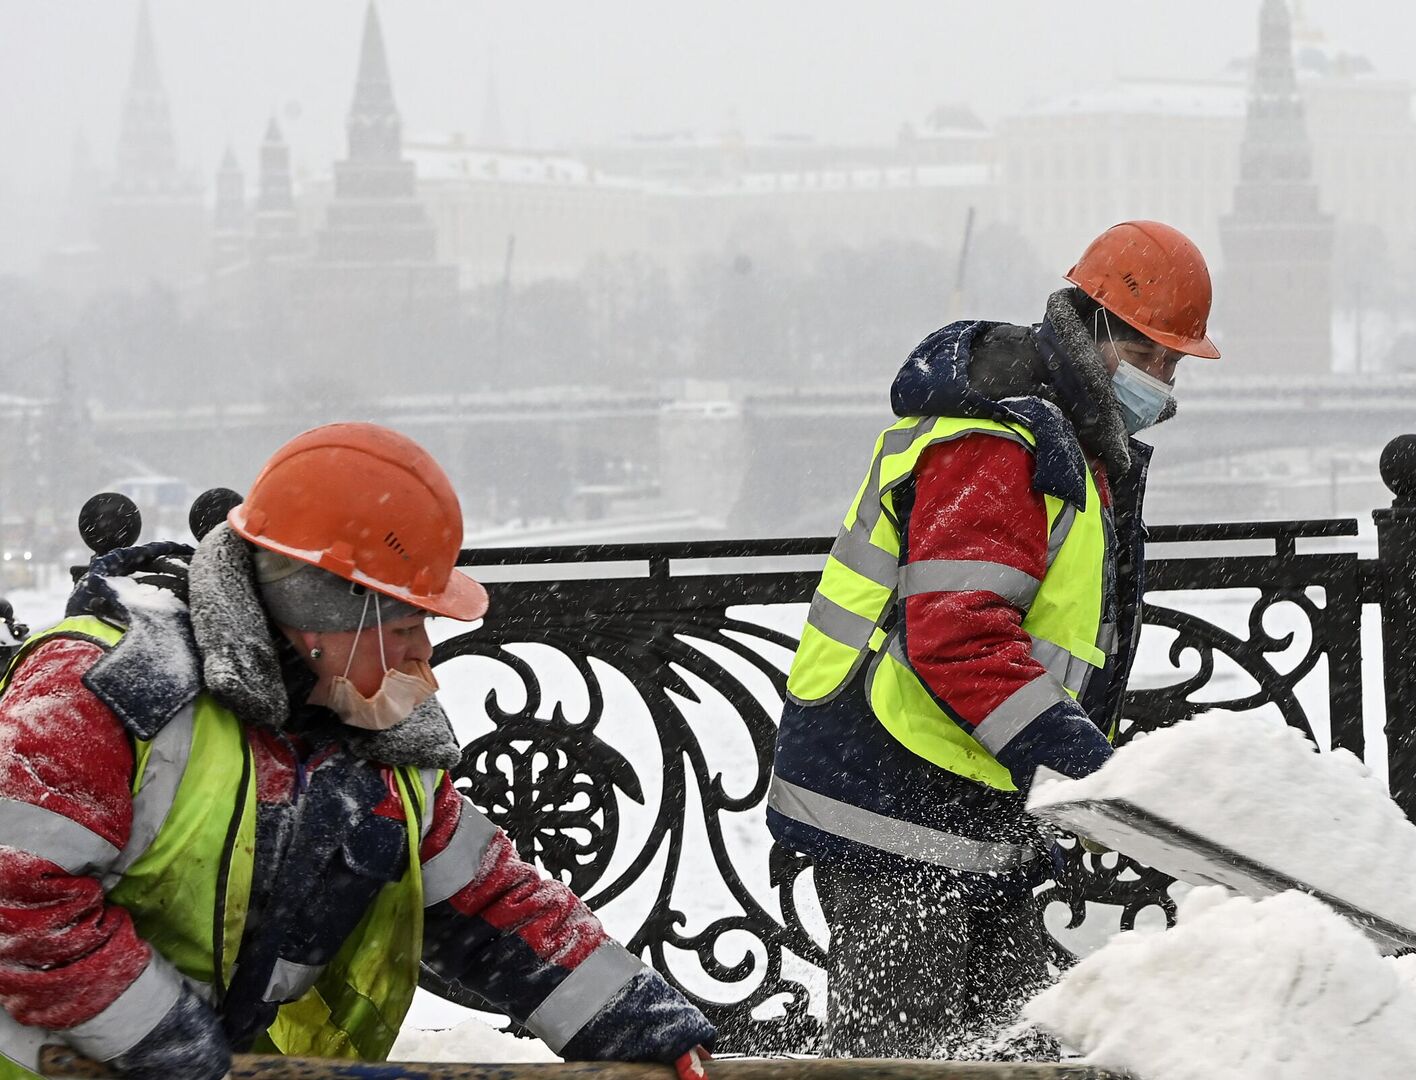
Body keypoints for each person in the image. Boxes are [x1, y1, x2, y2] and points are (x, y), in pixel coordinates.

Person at [0, 423, 716, 1079]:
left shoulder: (379, 745)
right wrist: (173, 1051)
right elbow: (18, 900)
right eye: (406, 626)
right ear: (325, 612)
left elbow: (489, 903)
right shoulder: (106, 687)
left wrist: (636, 1024)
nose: (423, 657)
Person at [768, 221, 1219, 1057]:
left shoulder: (1068, 438)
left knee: (1000, 1055)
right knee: (900, 1067)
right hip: (892, 805)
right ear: (1093, 329)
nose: (1164, 381)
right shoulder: (999, 439)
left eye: (1175, 363)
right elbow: (959, 635)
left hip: (969, 797)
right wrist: (1080, 762)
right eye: (1152, 356)